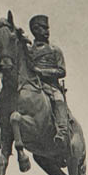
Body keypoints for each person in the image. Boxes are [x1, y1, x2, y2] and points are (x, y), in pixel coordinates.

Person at [27, 15, 69, 149]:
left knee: (58, 99)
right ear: (35, 30)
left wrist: (41, 71)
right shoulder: (28, 50)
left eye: (47, 28)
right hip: (33, 85)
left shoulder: (55, 50)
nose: (47, 31)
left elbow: (62, 71)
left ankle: (62, 132)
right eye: (43, 28)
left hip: (51, 86)